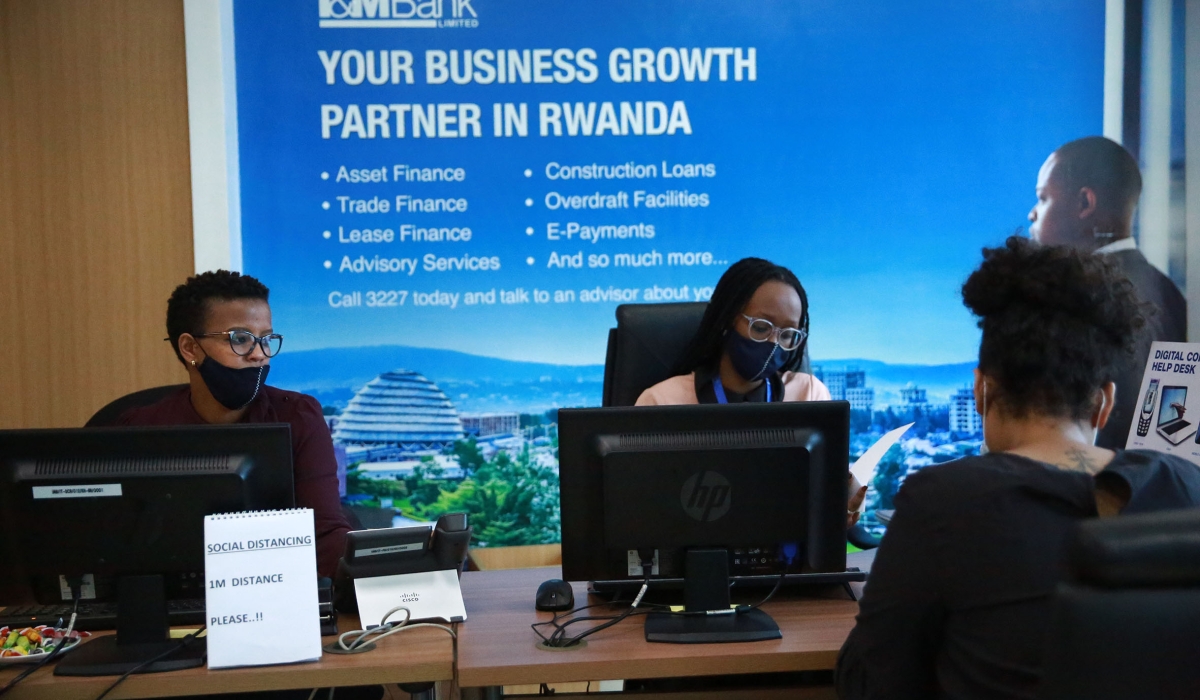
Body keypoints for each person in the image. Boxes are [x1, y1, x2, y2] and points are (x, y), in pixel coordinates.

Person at [835, 237, 1200, 700]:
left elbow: (870, 683)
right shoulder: (1186, 488)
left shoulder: (944, 503)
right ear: (1105, 402)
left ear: (980, 390)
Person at [117, 270, 350, 578]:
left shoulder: (298, 416)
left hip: (276, 590)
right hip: (168, 597)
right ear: (190, 348)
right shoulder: (139, 428)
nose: (259, 355)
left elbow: (324, 532)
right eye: (240, 339)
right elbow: (118, 540)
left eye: (266, 340)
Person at [635, 257, 867, 526]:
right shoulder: (662, 401)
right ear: (727, 320)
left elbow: (828, 492)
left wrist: (844, 502)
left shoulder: (809, 394)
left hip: (789, 548)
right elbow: (641, 504)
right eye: (761, 327)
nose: (773, 343)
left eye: (787, 335)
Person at [1028, 136, 1187, 448]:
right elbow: (1176, 433)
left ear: (1084, 204)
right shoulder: (1169, 294)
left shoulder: (1079, 300)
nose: (1032, 214)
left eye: (1043, 198)